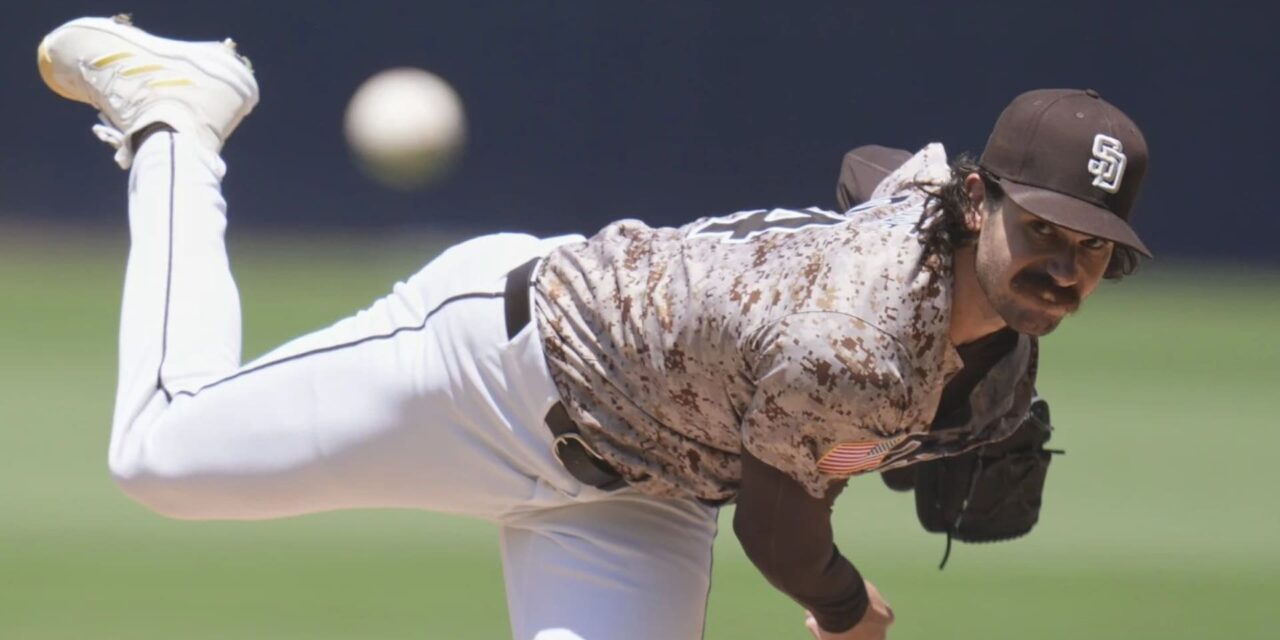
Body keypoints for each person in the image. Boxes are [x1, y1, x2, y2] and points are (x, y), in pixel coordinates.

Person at [38, 15, 1151, 640]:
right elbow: (779, 535)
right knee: (160, 451)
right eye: (1044, 228)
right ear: (977, 203)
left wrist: (952, 392)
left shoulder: (923, 207)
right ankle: (179, 119)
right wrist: (844, 607)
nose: (1065, 263)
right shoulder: (857, 349)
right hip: (500, 374)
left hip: (648, 489)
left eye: (1092, 245)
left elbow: (866, 175)